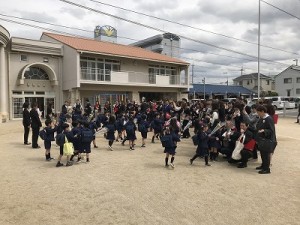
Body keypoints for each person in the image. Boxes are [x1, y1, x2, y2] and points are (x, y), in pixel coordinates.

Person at [255, 105, 277, 174]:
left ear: (262, 111)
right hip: (262, 139)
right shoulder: (262, 118)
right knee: (262, 153)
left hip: (267, 140)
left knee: (266, 154)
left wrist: (264, 130)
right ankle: (263, 165)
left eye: (258, 112)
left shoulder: (268, 119)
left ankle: (266, 169)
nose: (257, 114)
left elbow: (271, 130)